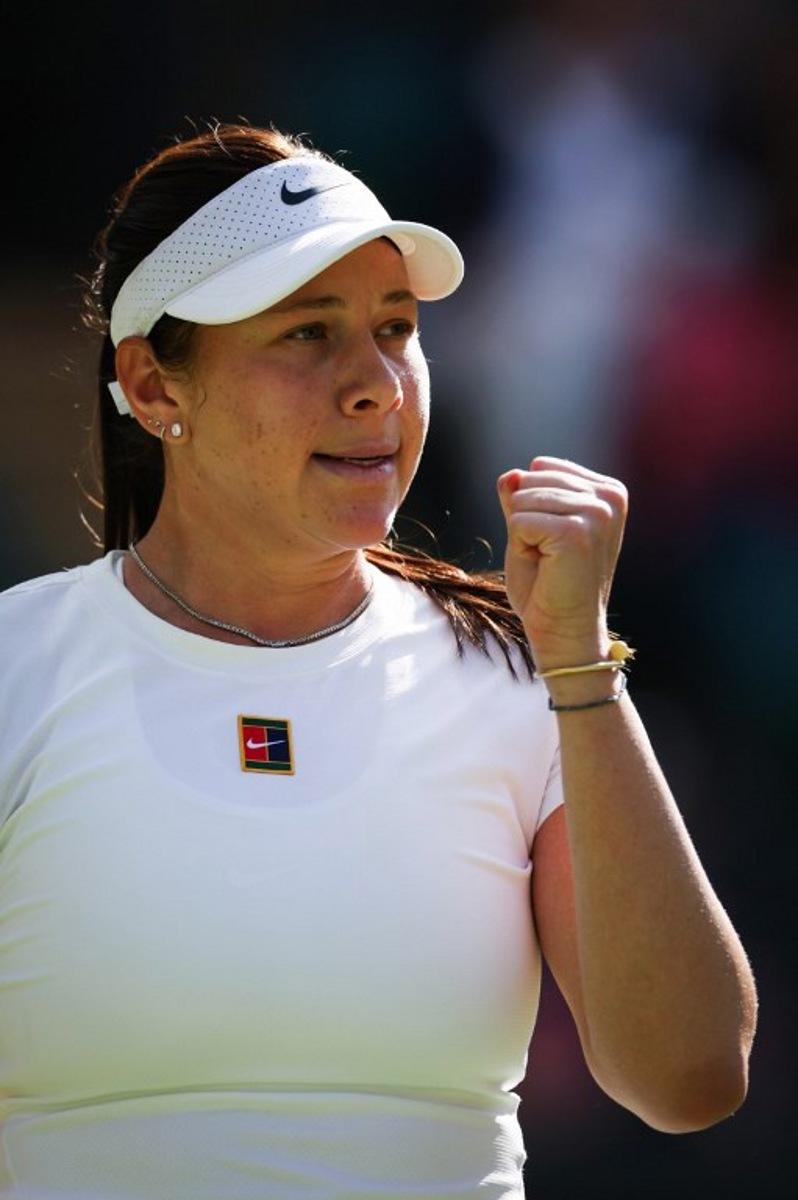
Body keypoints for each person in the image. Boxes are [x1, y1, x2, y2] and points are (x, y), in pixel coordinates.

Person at [0, 123, 757, 1200]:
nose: (378, 386)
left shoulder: (531, 676)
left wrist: (584, 670)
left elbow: (690, 1077)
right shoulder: (17, 667)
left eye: (396, 329)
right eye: (308, 334)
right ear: (156, 388)